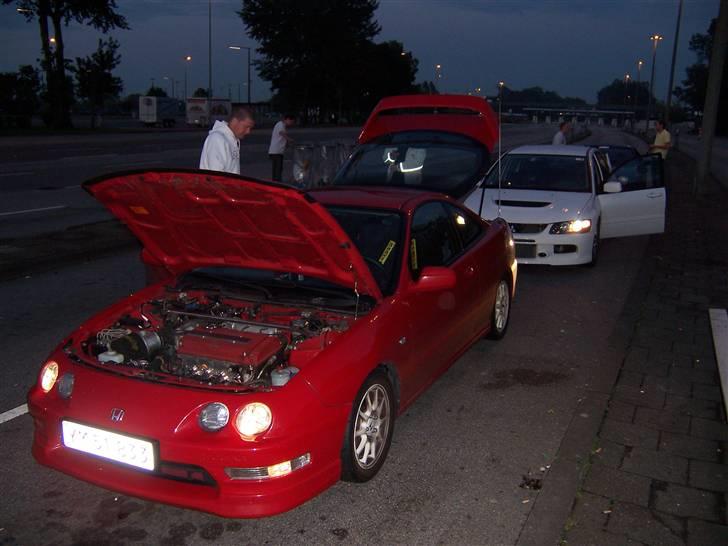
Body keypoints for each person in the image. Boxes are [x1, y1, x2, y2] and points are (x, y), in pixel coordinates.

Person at [199, 106, 255, 174]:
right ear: (235, 121)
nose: (248, 131)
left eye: (250, 128)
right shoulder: (217, 140)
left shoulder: (232, 140)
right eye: (246, 127)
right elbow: (217, 177)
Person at [268, 114, 295, 182]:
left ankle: (275, 182)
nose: (291, 124)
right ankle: (277, 182)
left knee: (277, 169)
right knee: (278, 169)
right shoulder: (280, 124)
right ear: (287, 119)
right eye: (291, 122)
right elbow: (282, 133)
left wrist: (288, 144)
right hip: (276, 151)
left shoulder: (282, 126)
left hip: (277, 151)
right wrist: (289, 139)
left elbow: (281, 139)